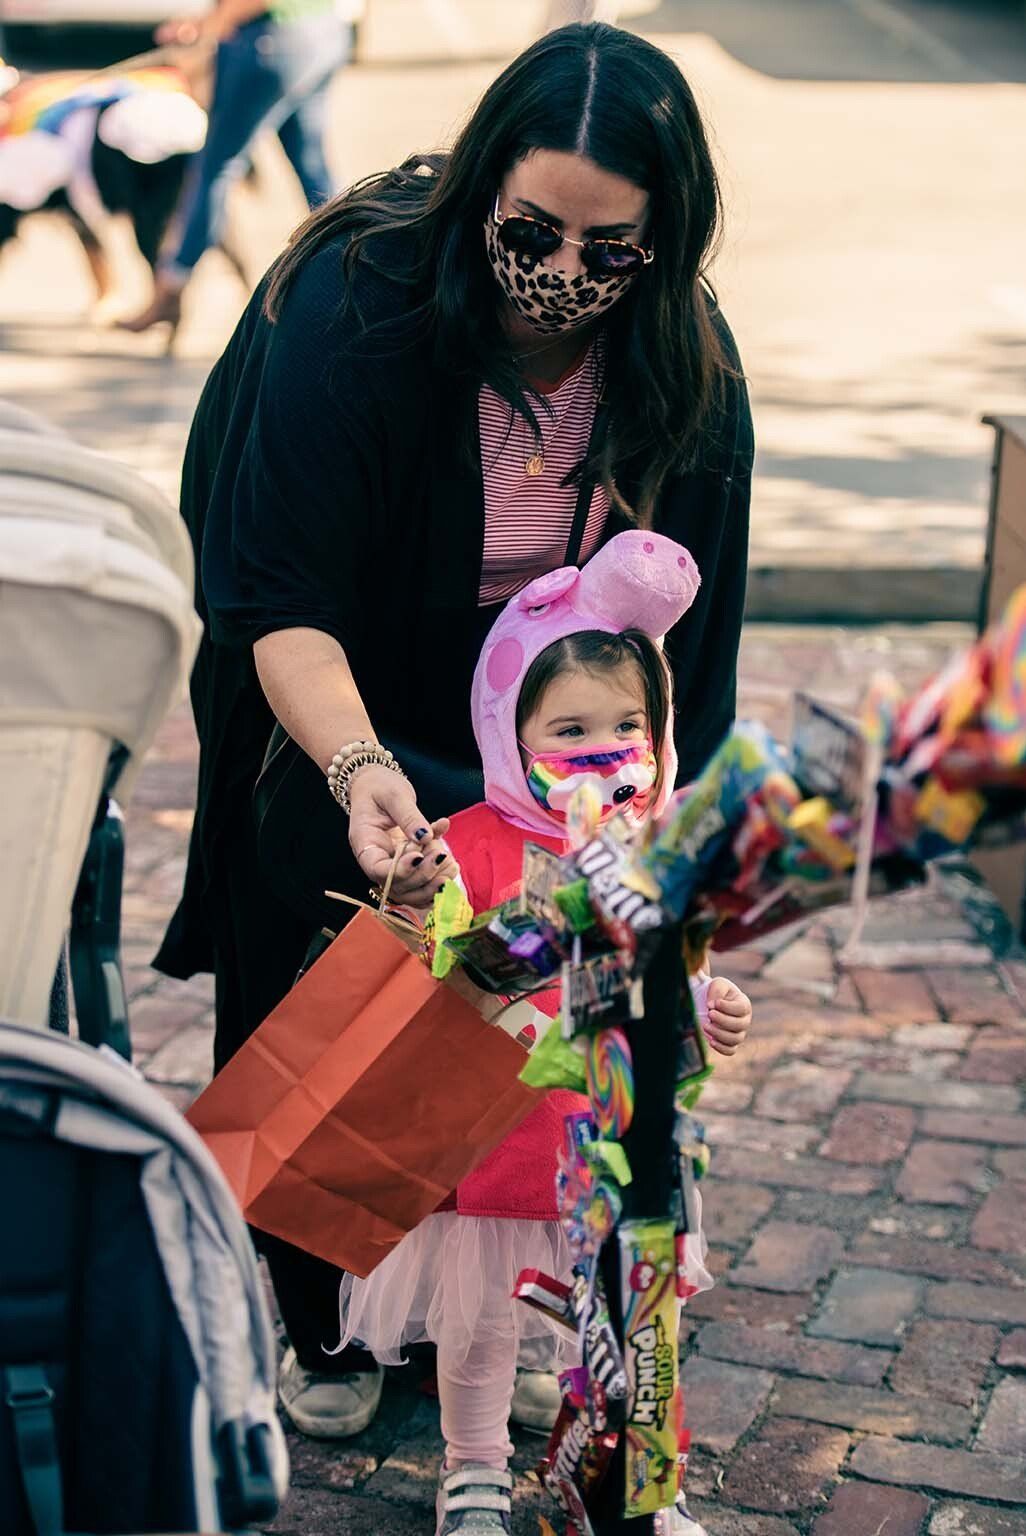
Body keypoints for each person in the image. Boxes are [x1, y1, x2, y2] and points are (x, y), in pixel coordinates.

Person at [153, 22, 753, 1443]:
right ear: (482, 183)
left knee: (508, 1026)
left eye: (609, 251)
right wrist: (362, 772)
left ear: (663, 246)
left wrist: (663, 846)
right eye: (531, 229)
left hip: (560, 752)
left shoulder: (683, 364)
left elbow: (700, 644)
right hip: (349, 701)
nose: (561, 276)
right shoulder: (353, 304)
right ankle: (319, 1309)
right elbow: (277, 594)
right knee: (341, 995)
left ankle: (450, 1307)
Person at [333, 528, 753, 1536]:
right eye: (567, 730)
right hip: (499, 1143)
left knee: (634, 1311)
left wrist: (714, 1006)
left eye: (627, 725)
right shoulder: (469, 843)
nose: (603, 751)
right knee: (477, 1321)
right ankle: (473, 1466)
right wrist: (423, 901)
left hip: (621, 1140)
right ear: (506, 725)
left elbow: (678, 966)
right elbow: (435, 971)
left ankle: (643, 1483)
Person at [119, 0, 348, 334]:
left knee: (215, 169)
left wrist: (210, 24)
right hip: (322, 31)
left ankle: (171, 288)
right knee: (311, 163)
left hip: (271, 40)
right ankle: (351, 265)